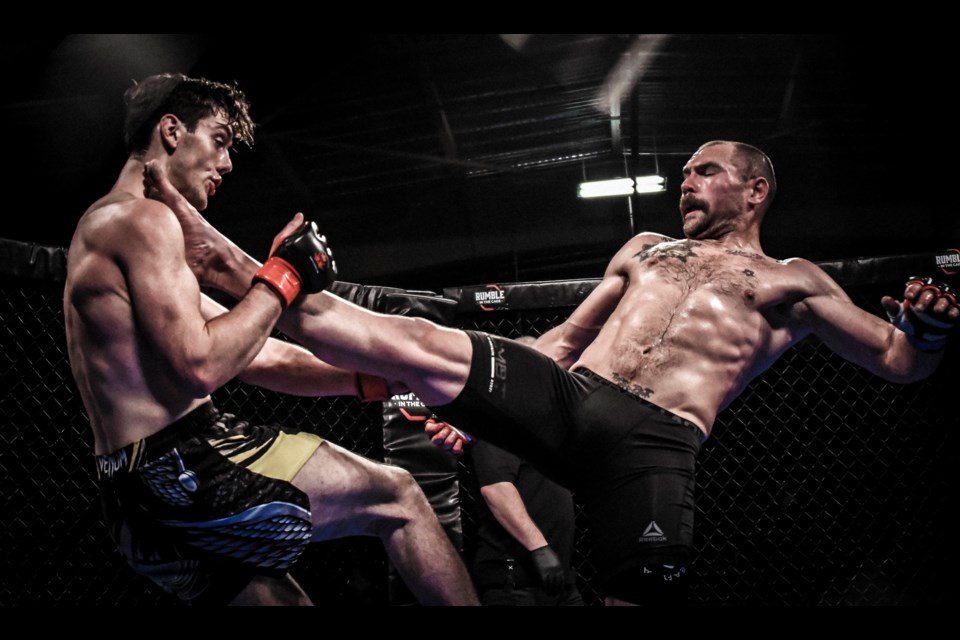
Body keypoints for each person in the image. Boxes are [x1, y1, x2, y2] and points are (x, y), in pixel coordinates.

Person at [147, 139, 959, 605]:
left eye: (704, 171)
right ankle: (239, 263)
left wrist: (924, 331)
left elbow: (898, 361)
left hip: (657, 442)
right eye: (684, 172)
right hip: (573, 397)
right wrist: (469, 399)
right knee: (418, 340)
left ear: (755, 189)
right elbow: (566, 337)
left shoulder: (795, 279)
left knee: (637, 595)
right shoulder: (645, 248)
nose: (686, 179)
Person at [63, 73, 478, 606]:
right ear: (171, 131)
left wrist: (379, 380)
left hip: (131, 499)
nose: (228, 164)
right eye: (218, 139)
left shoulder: (101, 227)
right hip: (189, 467)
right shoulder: (143, 221)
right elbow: (201, 366)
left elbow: (259, 355)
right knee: (398, 497)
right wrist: (283, 276)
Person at [464, 427, 584, 606]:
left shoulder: (544, 436)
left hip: (560, 581)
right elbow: (496, 489)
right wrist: (539, 548)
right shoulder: (498, 429)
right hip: (515, 584)